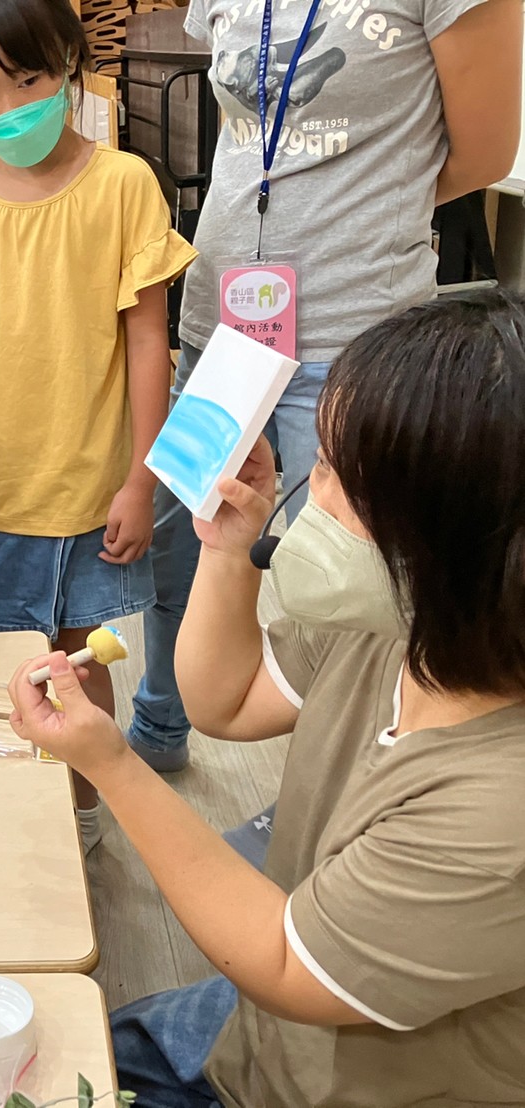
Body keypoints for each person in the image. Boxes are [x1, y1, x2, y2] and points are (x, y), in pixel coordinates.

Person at [9, 290, 525, 1106]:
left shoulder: (499, 813)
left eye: (338, 478)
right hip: (257, 1033)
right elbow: (227, 701)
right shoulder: (401, 619)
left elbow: (288, 963)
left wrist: (111, 762)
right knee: (45, 1054)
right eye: (318, 461)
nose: (308, 498)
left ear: (448, 537)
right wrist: (225, 545)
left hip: (331, 1071)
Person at [129, 0, 522, 772]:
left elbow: (480, 154)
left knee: (359, 584)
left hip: (356, 328)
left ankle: (347, 779)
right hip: (224, 316)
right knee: (187, 540)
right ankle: (161, 721)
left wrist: (362, 211)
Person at [0, 0, 195, 850]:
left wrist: (142, 481)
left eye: (25, 82)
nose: (6, 113)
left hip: (86, 490)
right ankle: (8, 822)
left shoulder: (122, 184)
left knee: (75, 667)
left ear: (68, 62)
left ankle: (83, 816)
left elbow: (150, 345)